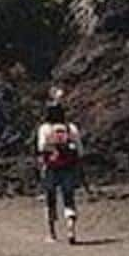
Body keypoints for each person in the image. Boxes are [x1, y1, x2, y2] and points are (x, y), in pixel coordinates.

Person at [35, 100, 85, 244]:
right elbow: (80, 150)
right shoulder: (70, 128)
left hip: (51, 167)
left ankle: (52, 234)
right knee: (69, 198)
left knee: (50, 200)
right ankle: (71, 228)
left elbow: (41, 147)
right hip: (68, 167)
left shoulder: (45, 128)